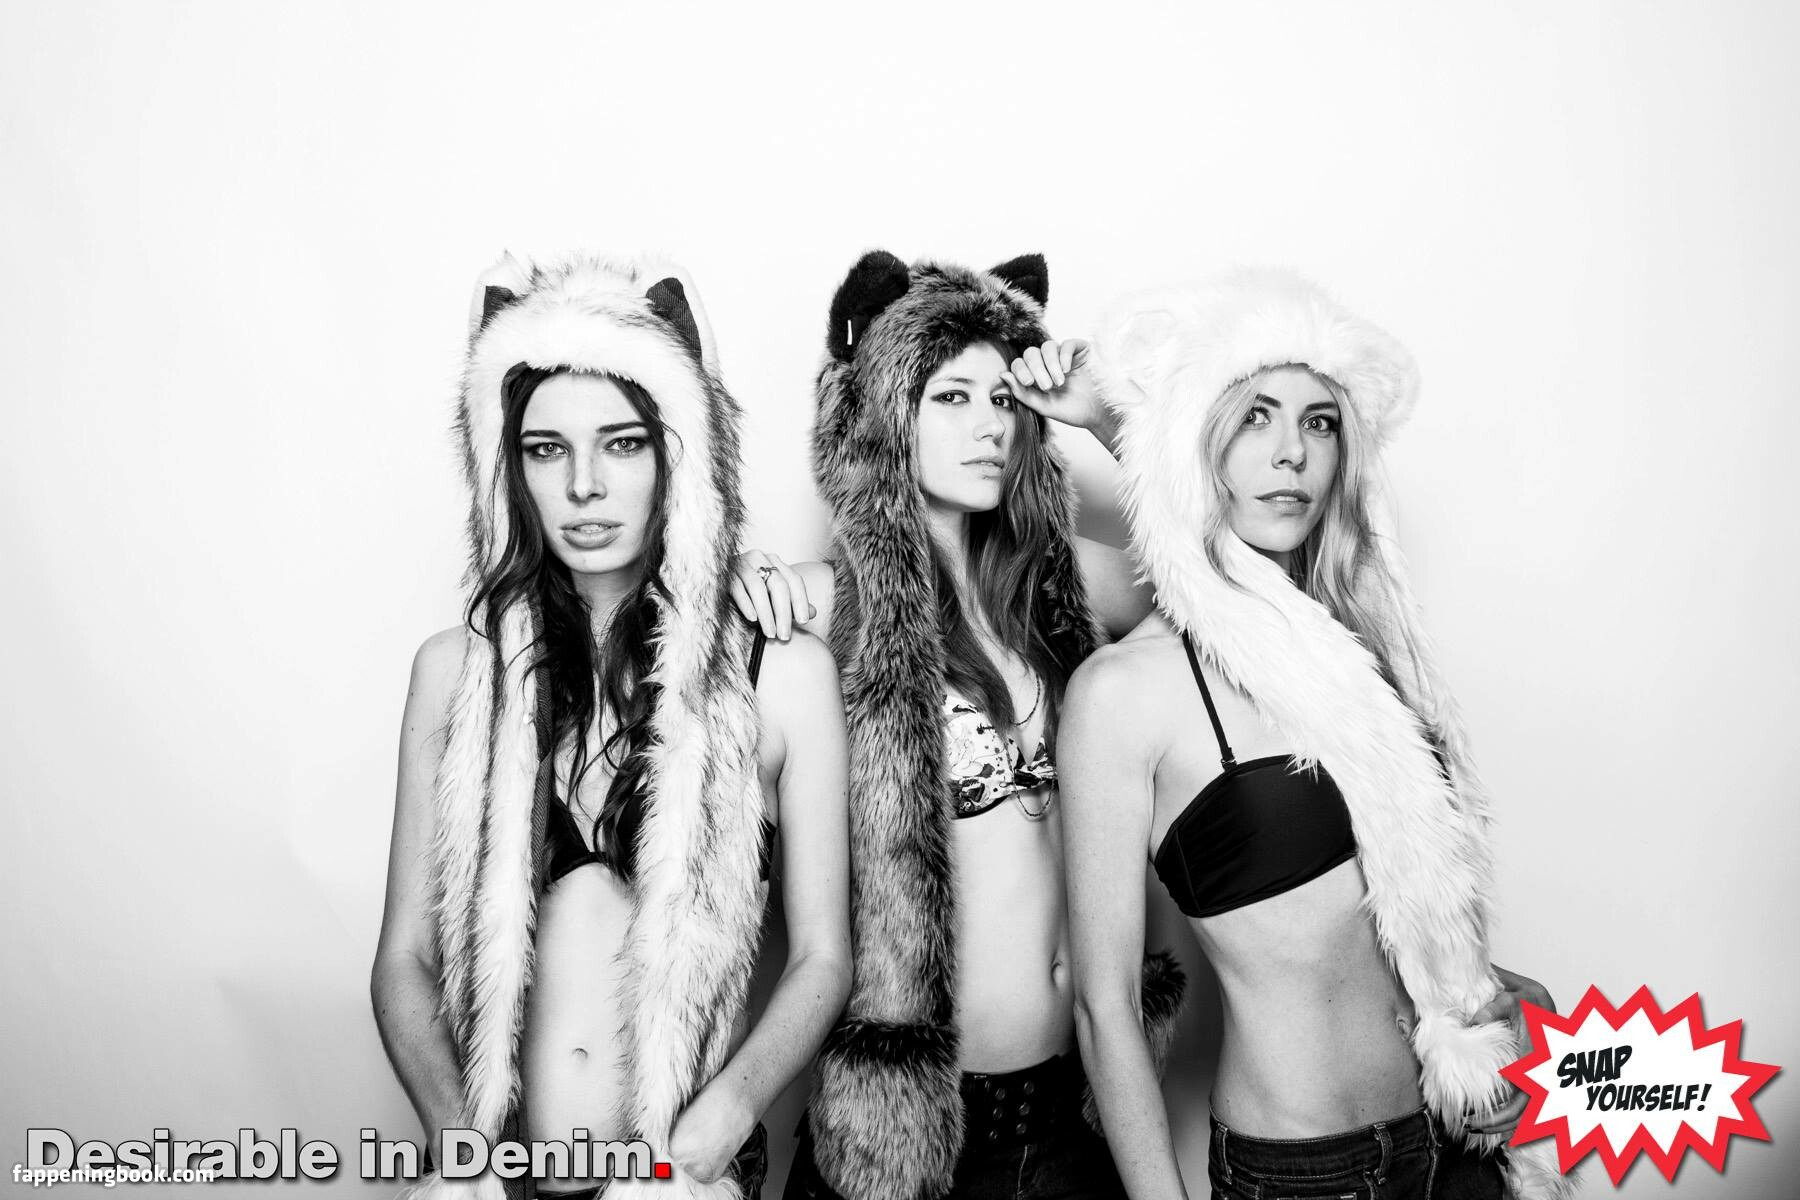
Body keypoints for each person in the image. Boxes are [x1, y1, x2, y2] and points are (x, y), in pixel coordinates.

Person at [1060, 269, 1569, 1200]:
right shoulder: (1124, 694)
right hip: (1305, 1171)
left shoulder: (1362, 656)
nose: (1291, 452)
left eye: (1319, 422)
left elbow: (1384, 917)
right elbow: (1105, 1007)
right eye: (1254, 417)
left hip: (1460, 1141)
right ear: (1198, 442)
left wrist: (1516, 1007)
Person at [372, 255, 852, 1200]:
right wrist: (458, 1146)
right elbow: (404, 961)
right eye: (546, 449)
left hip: (684, 1177)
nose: (584, 485)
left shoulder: (777, 675)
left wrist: (720, 1126)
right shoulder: (455, 675)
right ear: (507, 465)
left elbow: (823, 958)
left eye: (623, 444)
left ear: (678, 453)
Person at [731, 251, 1184, 1200]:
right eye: (951, 398)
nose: (990, 426)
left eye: (1005, 399)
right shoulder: (827, 607)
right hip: (912, 1141)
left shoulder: (1067, 592)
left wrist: (1106, 418)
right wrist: (729, 578)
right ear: (884, 415)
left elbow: (1221, 575)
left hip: (1079, 1117)